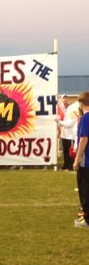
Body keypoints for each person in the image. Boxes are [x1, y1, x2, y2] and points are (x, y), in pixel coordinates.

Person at [73, 92, 89, 228]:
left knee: (85, 189)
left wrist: (77, 159)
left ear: (81, 103)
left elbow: (84, 139)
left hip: (86, 160)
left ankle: (87, 219)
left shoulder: (86, 118)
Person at [58, 95, 78, 171]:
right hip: (65, 134)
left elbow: (70, 124)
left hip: (70, 135)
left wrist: (60, 122)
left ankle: (70, 166)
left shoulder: (74, 112)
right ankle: (65, 165)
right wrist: (59, 100)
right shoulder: (68, 111)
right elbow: (63, 108)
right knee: (65, 152)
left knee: (70, 153)